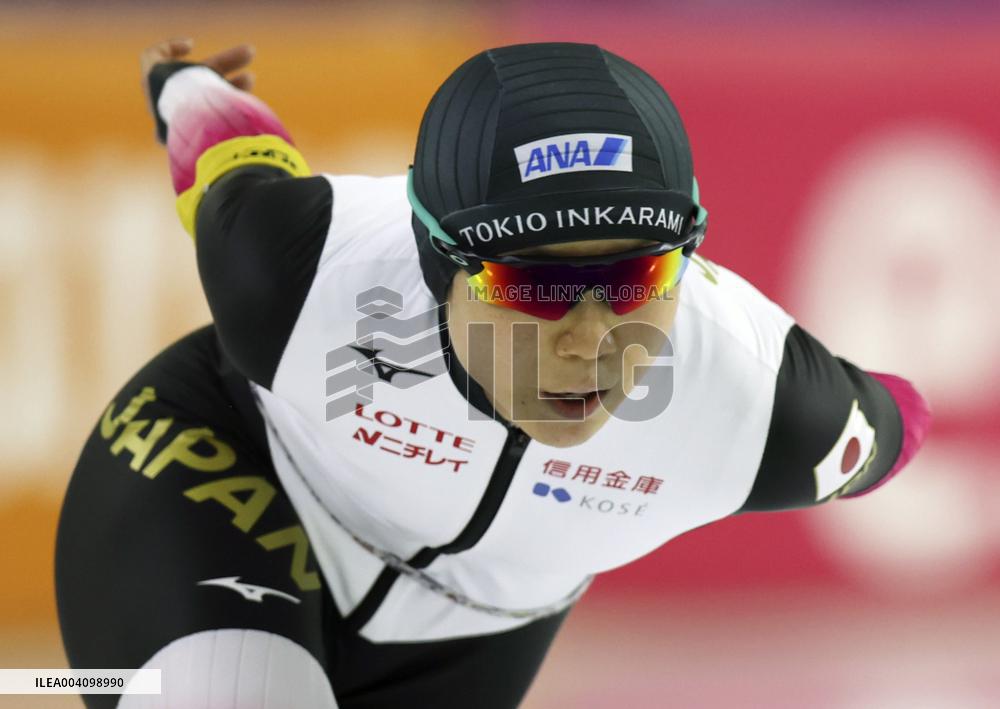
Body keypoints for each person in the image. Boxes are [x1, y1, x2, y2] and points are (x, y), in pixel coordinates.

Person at [55, 38, 931, 708]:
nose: (591, 340)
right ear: (438, 263)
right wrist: (185, 82)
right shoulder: (298, 272)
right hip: (226, 486)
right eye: (534, 283)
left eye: (635, 279)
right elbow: (234, 165)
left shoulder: (765, 407)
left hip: (469, 637)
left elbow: (901, 423)